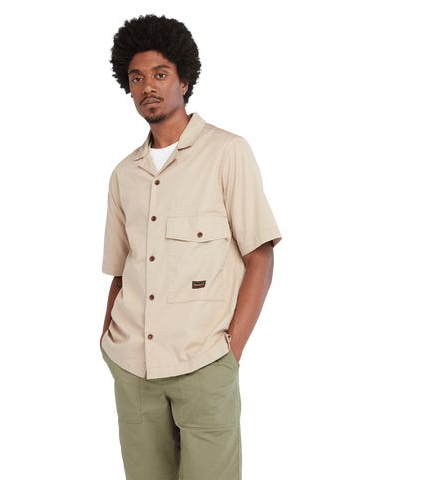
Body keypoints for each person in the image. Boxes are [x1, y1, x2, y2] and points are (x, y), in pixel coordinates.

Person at [99, 14, 282, 480]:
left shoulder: (227, 152)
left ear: (184, 80)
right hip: (132, 370)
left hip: (204, 364)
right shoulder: (124, 175)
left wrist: (229, 354)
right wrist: (107, 342)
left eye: (160, 74)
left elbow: (259, 256)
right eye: (136, 78)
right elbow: (121, 271)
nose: (148, 87)